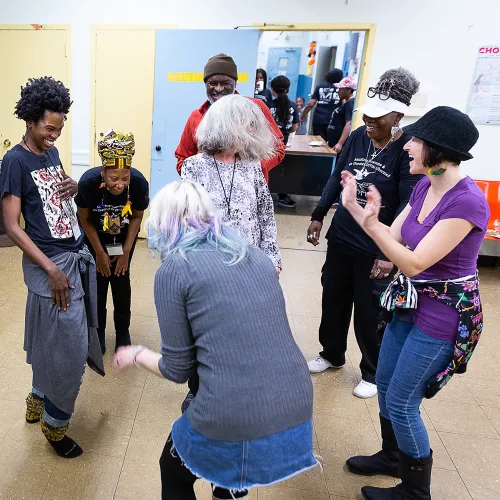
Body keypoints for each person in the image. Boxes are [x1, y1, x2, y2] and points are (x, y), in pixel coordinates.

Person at [113, 179, 316, 500]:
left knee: (174, 470)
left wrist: (136, 353)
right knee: (231, 474)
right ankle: (231, 489)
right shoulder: (255, 255)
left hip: (234, 411)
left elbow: (177, 368)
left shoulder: (175, 269)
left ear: (164, 224)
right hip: (296, 405)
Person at [341, 106, 488, 500]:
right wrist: (357, 208)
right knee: (387, 386)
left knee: (404, 402)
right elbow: (395, 237)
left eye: (417, 140)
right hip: (410, 302)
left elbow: (414, 259)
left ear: (437, 151)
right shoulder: (426, 185)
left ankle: (414, 491)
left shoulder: (468, 202)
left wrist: (371, 225)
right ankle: (393, 456)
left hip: (443, 314)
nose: (408, 145)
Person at [0, 77, 104, 458]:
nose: (54, 137)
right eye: (48, 129)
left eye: (59, 130)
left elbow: (52, 200)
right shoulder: (14, 160)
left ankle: (37, 397)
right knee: (70, 349)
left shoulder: (50, 153)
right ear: (29, 120)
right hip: (52, 265)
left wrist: (74, 187)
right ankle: (55, 425)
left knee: (47, 337)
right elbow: (13, 226)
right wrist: (51, 271)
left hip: (72, 253)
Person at [306, 68, 421, 399]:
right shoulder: (358, 136)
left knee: (371, 310)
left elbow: (408, 204)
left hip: (377, 245)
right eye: (367, 115)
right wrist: (318, 214)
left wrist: (389, 252)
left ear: (398, 115)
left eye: (377, 117)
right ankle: (331, 354)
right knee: (334, 298)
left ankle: (372, 371)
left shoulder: (407, 149)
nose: (369, 121)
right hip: (342, 236)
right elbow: (336, 176)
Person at [181, 94, 281, 270]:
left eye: (252, 126)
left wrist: (273, 259)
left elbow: (265, 215)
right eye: (246, 125)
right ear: (224, 126)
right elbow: (187, 220)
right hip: (210, 262)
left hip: (251, 260)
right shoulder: (193, 166)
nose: (251, 131)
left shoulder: (252, 165)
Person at [76, 130, 150, 355]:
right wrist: (99, 252)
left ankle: (123, 332)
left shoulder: (137, 183)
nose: (119, 184)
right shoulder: (88, 183)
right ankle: (97, 332)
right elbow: (84, 219)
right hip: (95, 236)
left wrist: (126, 251)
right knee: (97, 282)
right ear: (103, 172)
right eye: (113, 178)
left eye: (124, 178)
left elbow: (137, 216)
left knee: (120, 279)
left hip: (124, 237)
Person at [175, 54, 285, 182]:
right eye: (212, 83)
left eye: (225, 83)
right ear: (205, 85)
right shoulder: (196, 117)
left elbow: (277, 148)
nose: (219, 88)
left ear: (235, 83)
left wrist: (253, 170)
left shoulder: (255, 109)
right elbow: (182, 158)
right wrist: (201, 177)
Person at [269, 75, 300, 208]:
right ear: (288, 89)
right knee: (282, 169)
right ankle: (283, 195)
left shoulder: (267, 105)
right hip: (282, 145)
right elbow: (294, 127)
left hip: (266, 146)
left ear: (272, 90)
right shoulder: (293, 106)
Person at [300, 68, 343, 140]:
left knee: (318, 142)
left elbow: (311, 104)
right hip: (334, 120)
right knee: (331, 144)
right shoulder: (341, 89)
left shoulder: (320, 87)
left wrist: (302, 116)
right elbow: (344, 105)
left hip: (319, 119)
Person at [327, 76, 357, 153]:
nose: (338, 91)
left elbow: (349, 123)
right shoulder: (345, 103)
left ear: (348, 90)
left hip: (339, 146)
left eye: (341, 89)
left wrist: (340, 143)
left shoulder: (350, 104)